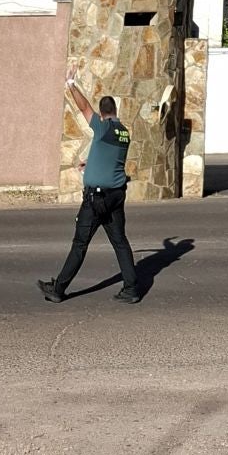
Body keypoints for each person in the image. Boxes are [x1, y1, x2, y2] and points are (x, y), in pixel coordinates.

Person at [38, 73, 140, 304]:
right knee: (120, 242)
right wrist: (90, 164)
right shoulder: (123, 133)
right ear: (114, 111)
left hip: (97, 200)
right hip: (116, 197)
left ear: (103, 115)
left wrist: (71, 85)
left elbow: (84, 107)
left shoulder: (102, 128)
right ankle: (132, 289)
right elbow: (112, 160)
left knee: (80, 243)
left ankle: (58, 288)